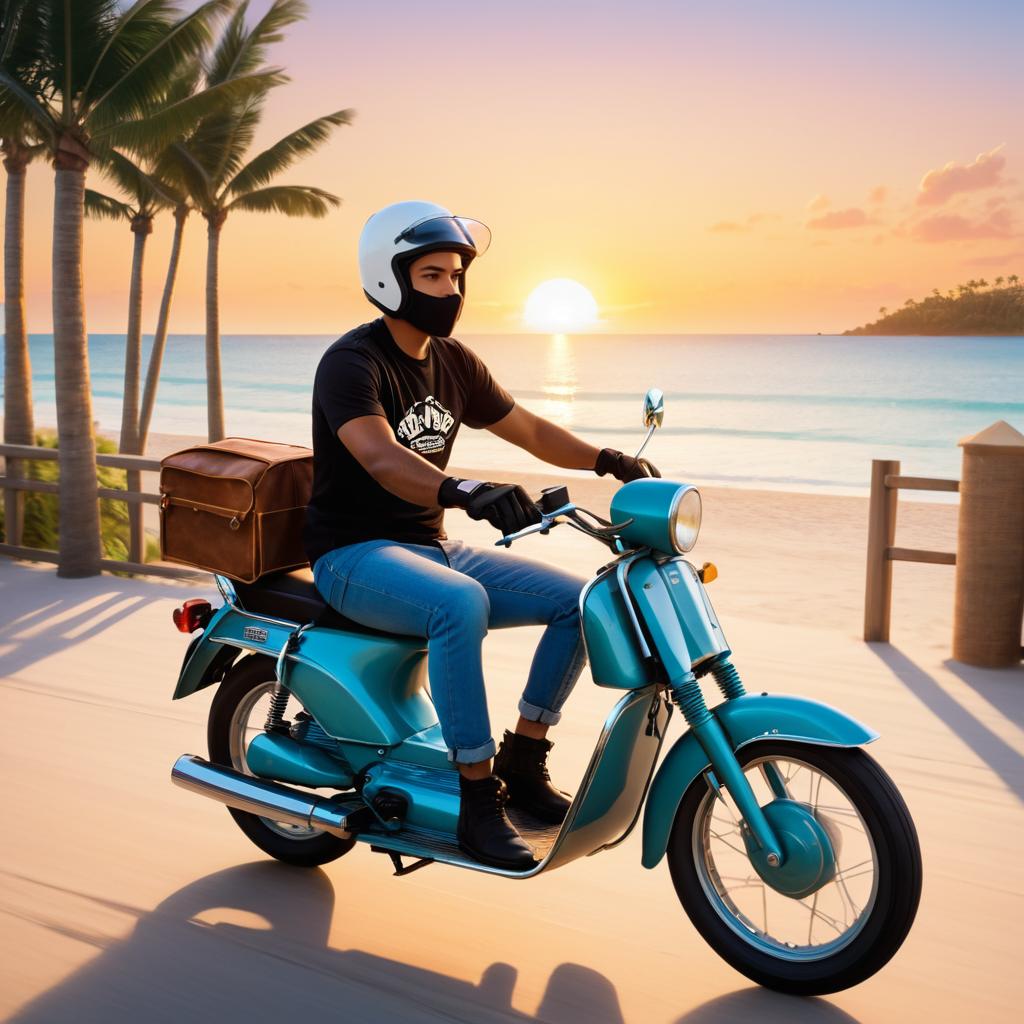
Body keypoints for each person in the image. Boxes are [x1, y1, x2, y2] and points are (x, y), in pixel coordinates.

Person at [303, 200, 659, 869]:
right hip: (354, 554)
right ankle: (476, 798)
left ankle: (525, 758)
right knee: (457, 603)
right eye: (433, 276)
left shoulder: (453, 361)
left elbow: (528, 429)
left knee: (580, 603)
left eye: (457, 276)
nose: (451, 290)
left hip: (430, 546)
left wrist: (605, 460)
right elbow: (380, 457)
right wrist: (465, 491)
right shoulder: (352, 363)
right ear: (389, 277)